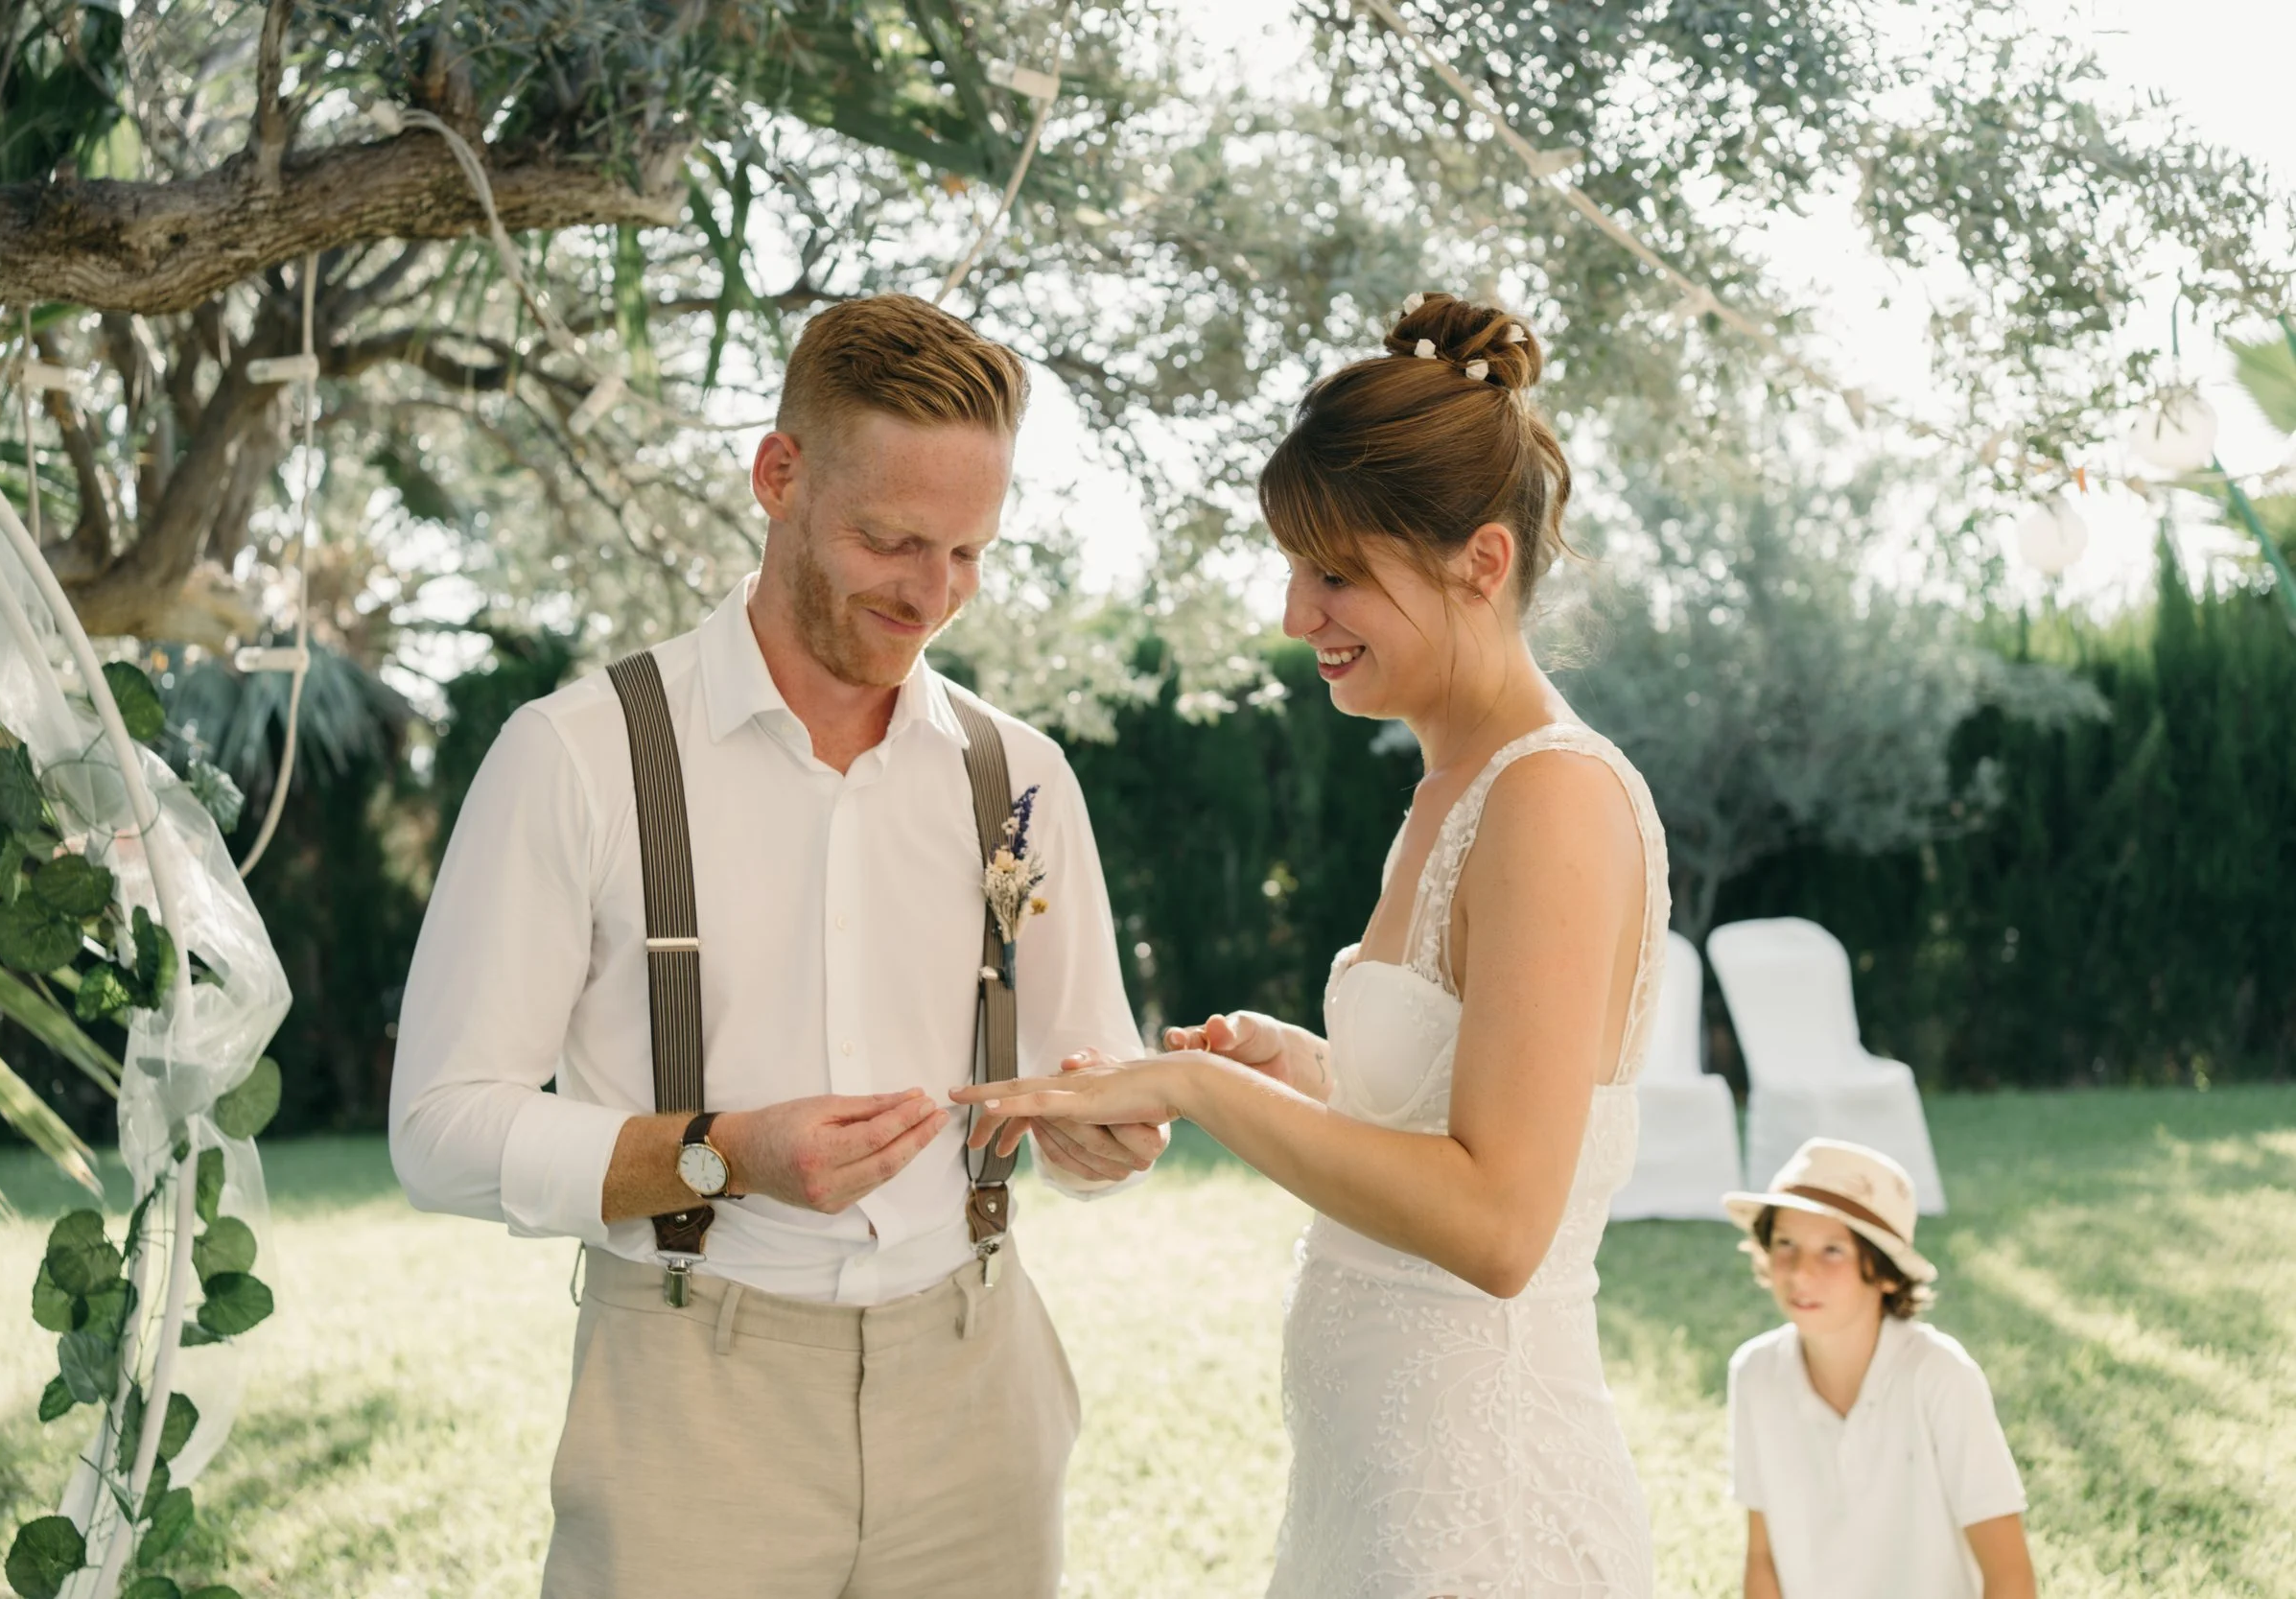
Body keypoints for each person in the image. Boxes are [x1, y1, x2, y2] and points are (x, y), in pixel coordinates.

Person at [388, 293, 1167, 1599]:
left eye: (969, 551)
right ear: (778, 476)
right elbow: (439, 1129)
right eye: (891, 540)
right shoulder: (575, 756)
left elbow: (1088, 1071)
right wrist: (723, 1152)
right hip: (693, 1405)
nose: (932, 594)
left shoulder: (1021, 778)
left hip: (977, 1392)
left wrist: (1104, 1134)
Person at [956, 291, 1660, 1596]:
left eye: (1335, 573)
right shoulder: (1453, 789)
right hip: (1382, 1500)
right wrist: (1314, 1077)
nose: (1296, 614)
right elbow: (1460, 1121)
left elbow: (1501, 1222)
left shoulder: (1552, 797)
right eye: (1293, 569)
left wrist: (1198, 1086)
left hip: (1484, 1521)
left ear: (1481, 561)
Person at [1722, 1139, 2036, 1599]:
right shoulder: (1755, 1373)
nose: (1800, 1272)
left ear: (1887, 1272)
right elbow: (1762, 1558)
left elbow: (2009, 1574)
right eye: (1786, 1243)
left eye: (1833, 1250)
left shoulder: (1939, 1375)